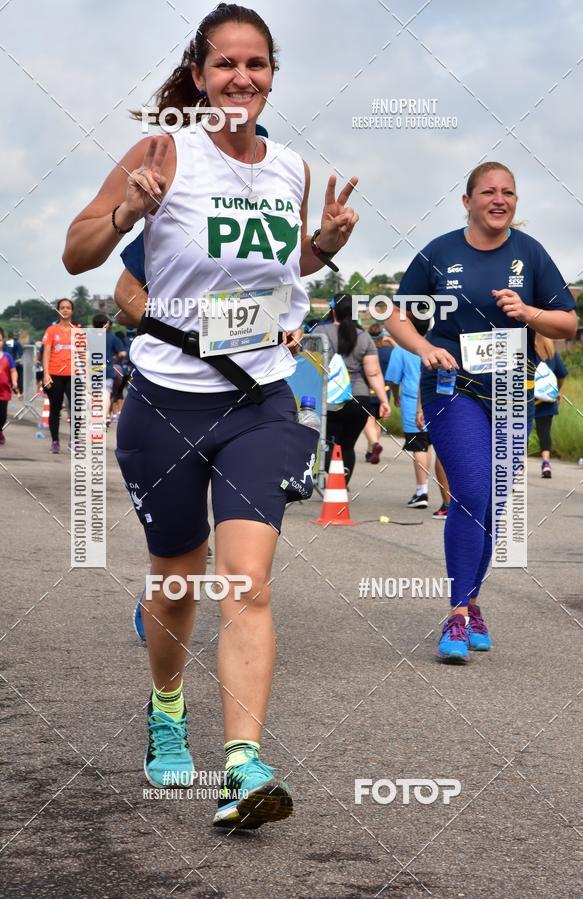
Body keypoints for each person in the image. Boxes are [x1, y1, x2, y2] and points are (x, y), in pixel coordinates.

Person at [63, 3, 358, 829]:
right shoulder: (163, 152)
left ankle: (243, 766)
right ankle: (165, 706)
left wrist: (322, 248)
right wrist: (129, 209)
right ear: (199, 76)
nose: (241, 78)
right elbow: (78, 250)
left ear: (273, 76)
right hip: (166, 401)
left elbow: (278, 272)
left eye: (256, 64)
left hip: (260, 396)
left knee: (248, 582)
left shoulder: (290, 168)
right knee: (178, 581)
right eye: (225, 64)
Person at [386, 161, 577, 663]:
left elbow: (568, 325)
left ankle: (471, 602)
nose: (499, 200)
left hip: (513, 391)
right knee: (470, 491)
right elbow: (397, 316)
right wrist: (423, 348)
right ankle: (455, 614)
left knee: (492, 502)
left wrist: (529, 312)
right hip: (454, 386)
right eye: (488, 192)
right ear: (467, 200)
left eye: (509, 193)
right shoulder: (439, 253)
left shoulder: (530, 254)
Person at [316, 294, 390, 482]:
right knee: (347, 446)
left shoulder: (320, 332)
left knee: (327, 443)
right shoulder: (364, 337)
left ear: (333, 311)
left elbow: (310, 365)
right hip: (359, 398)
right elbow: (373, 374)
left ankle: (333, 482)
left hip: (329, 398)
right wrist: (383, 400)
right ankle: (341, 486)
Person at [385, 315, 450, 516]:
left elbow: (394, 378)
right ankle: (447, 498)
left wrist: (394, 396)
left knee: (419, 446)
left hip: (413, 401)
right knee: (434, 445)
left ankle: (422, 492)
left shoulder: (401, 349)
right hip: (438, 400)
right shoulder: (436, 345)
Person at [41, 298, 79, 454]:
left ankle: (75, 441)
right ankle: (55, 441)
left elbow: (84, 354)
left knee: (76, 410)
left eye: (68, 307)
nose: (65, 310)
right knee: (55, 409)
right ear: (58, 310)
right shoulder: (51, 330)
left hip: (73, 375)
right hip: (55, 374)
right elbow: (46, 353)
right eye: (62, 307)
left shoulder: (78, 330)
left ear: (72, 311)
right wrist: (46, 374)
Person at [533, 334, 568, 479]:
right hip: (547, 400)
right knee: (544, 432)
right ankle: (546, 463)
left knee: (520, 432)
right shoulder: (552, 354)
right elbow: (562, 374)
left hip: (526, 399)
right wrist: (557, 391)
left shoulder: (527, 351)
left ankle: (518, 466)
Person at [364, 323, 394, 463]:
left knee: (368, 419)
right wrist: (391, 341)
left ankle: (372, 446)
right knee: (378, 422)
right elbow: (401, 352)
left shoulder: (368, 351)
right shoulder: (389, 351)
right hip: (385, 390)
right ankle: (372, 449)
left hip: (368, 390)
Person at [91, 314, 127, 425]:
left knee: (94, 394)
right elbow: (122, 353)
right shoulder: (112, 337)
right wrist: (115, 357)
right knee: (106, 394)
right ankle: (105, 416)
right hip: (107, 368)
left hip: (93, 369)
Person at [0, 329, 19, 445]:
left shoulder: (7, 356)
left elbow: (13, 371)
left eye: (0, 340)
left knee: (2, 416)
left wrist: (15, 381)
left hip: (4, 392)